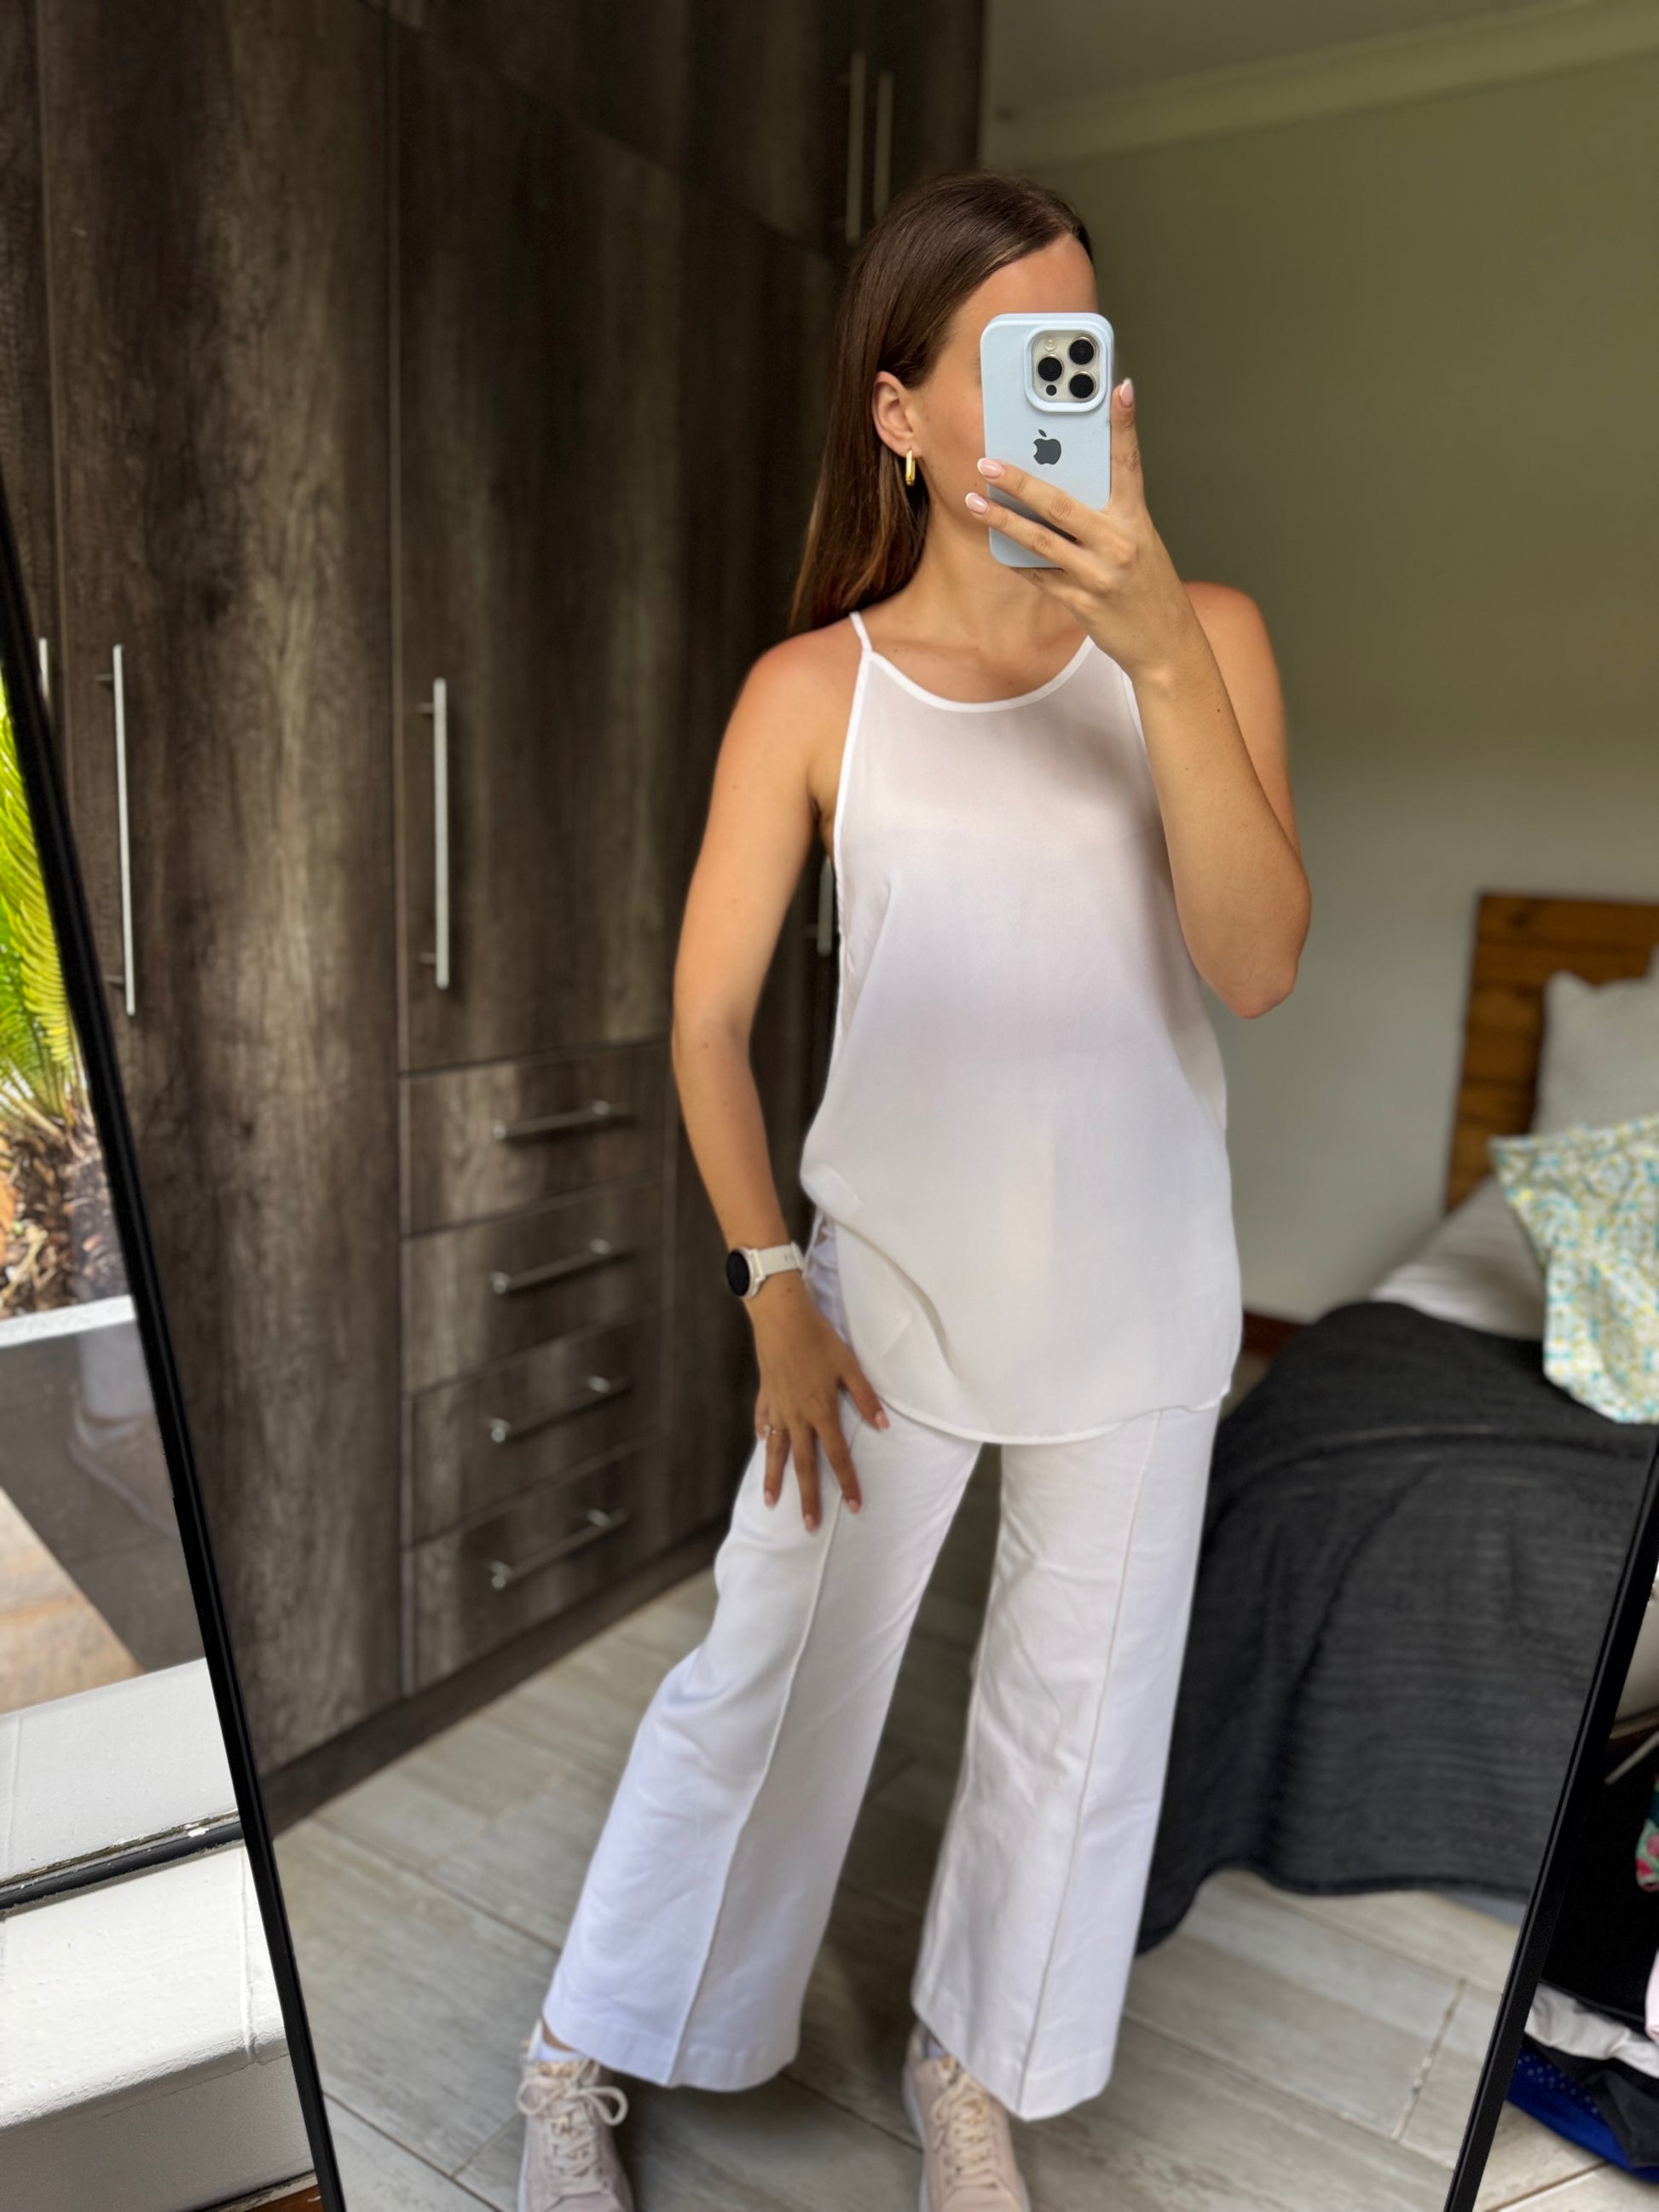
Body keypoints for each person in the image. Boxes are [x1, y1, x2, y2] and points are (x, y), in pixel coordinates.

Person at [512, 167, 1309, 2212]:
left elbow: (1256, 964)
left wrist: (1157, 652)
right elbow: (705, 1024)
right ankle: (578, 2047)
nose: (1073, 388)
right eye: (1020, 354)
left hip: (1141, 1291)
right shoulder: (813, 691)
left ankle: (971, 2071)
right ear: (900, 411)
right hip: (879, 1296)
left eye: (1086, 350)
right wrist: (770, 1281)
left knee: (1074, 1726)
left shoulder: (1207, 638)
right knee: (761, 1686)